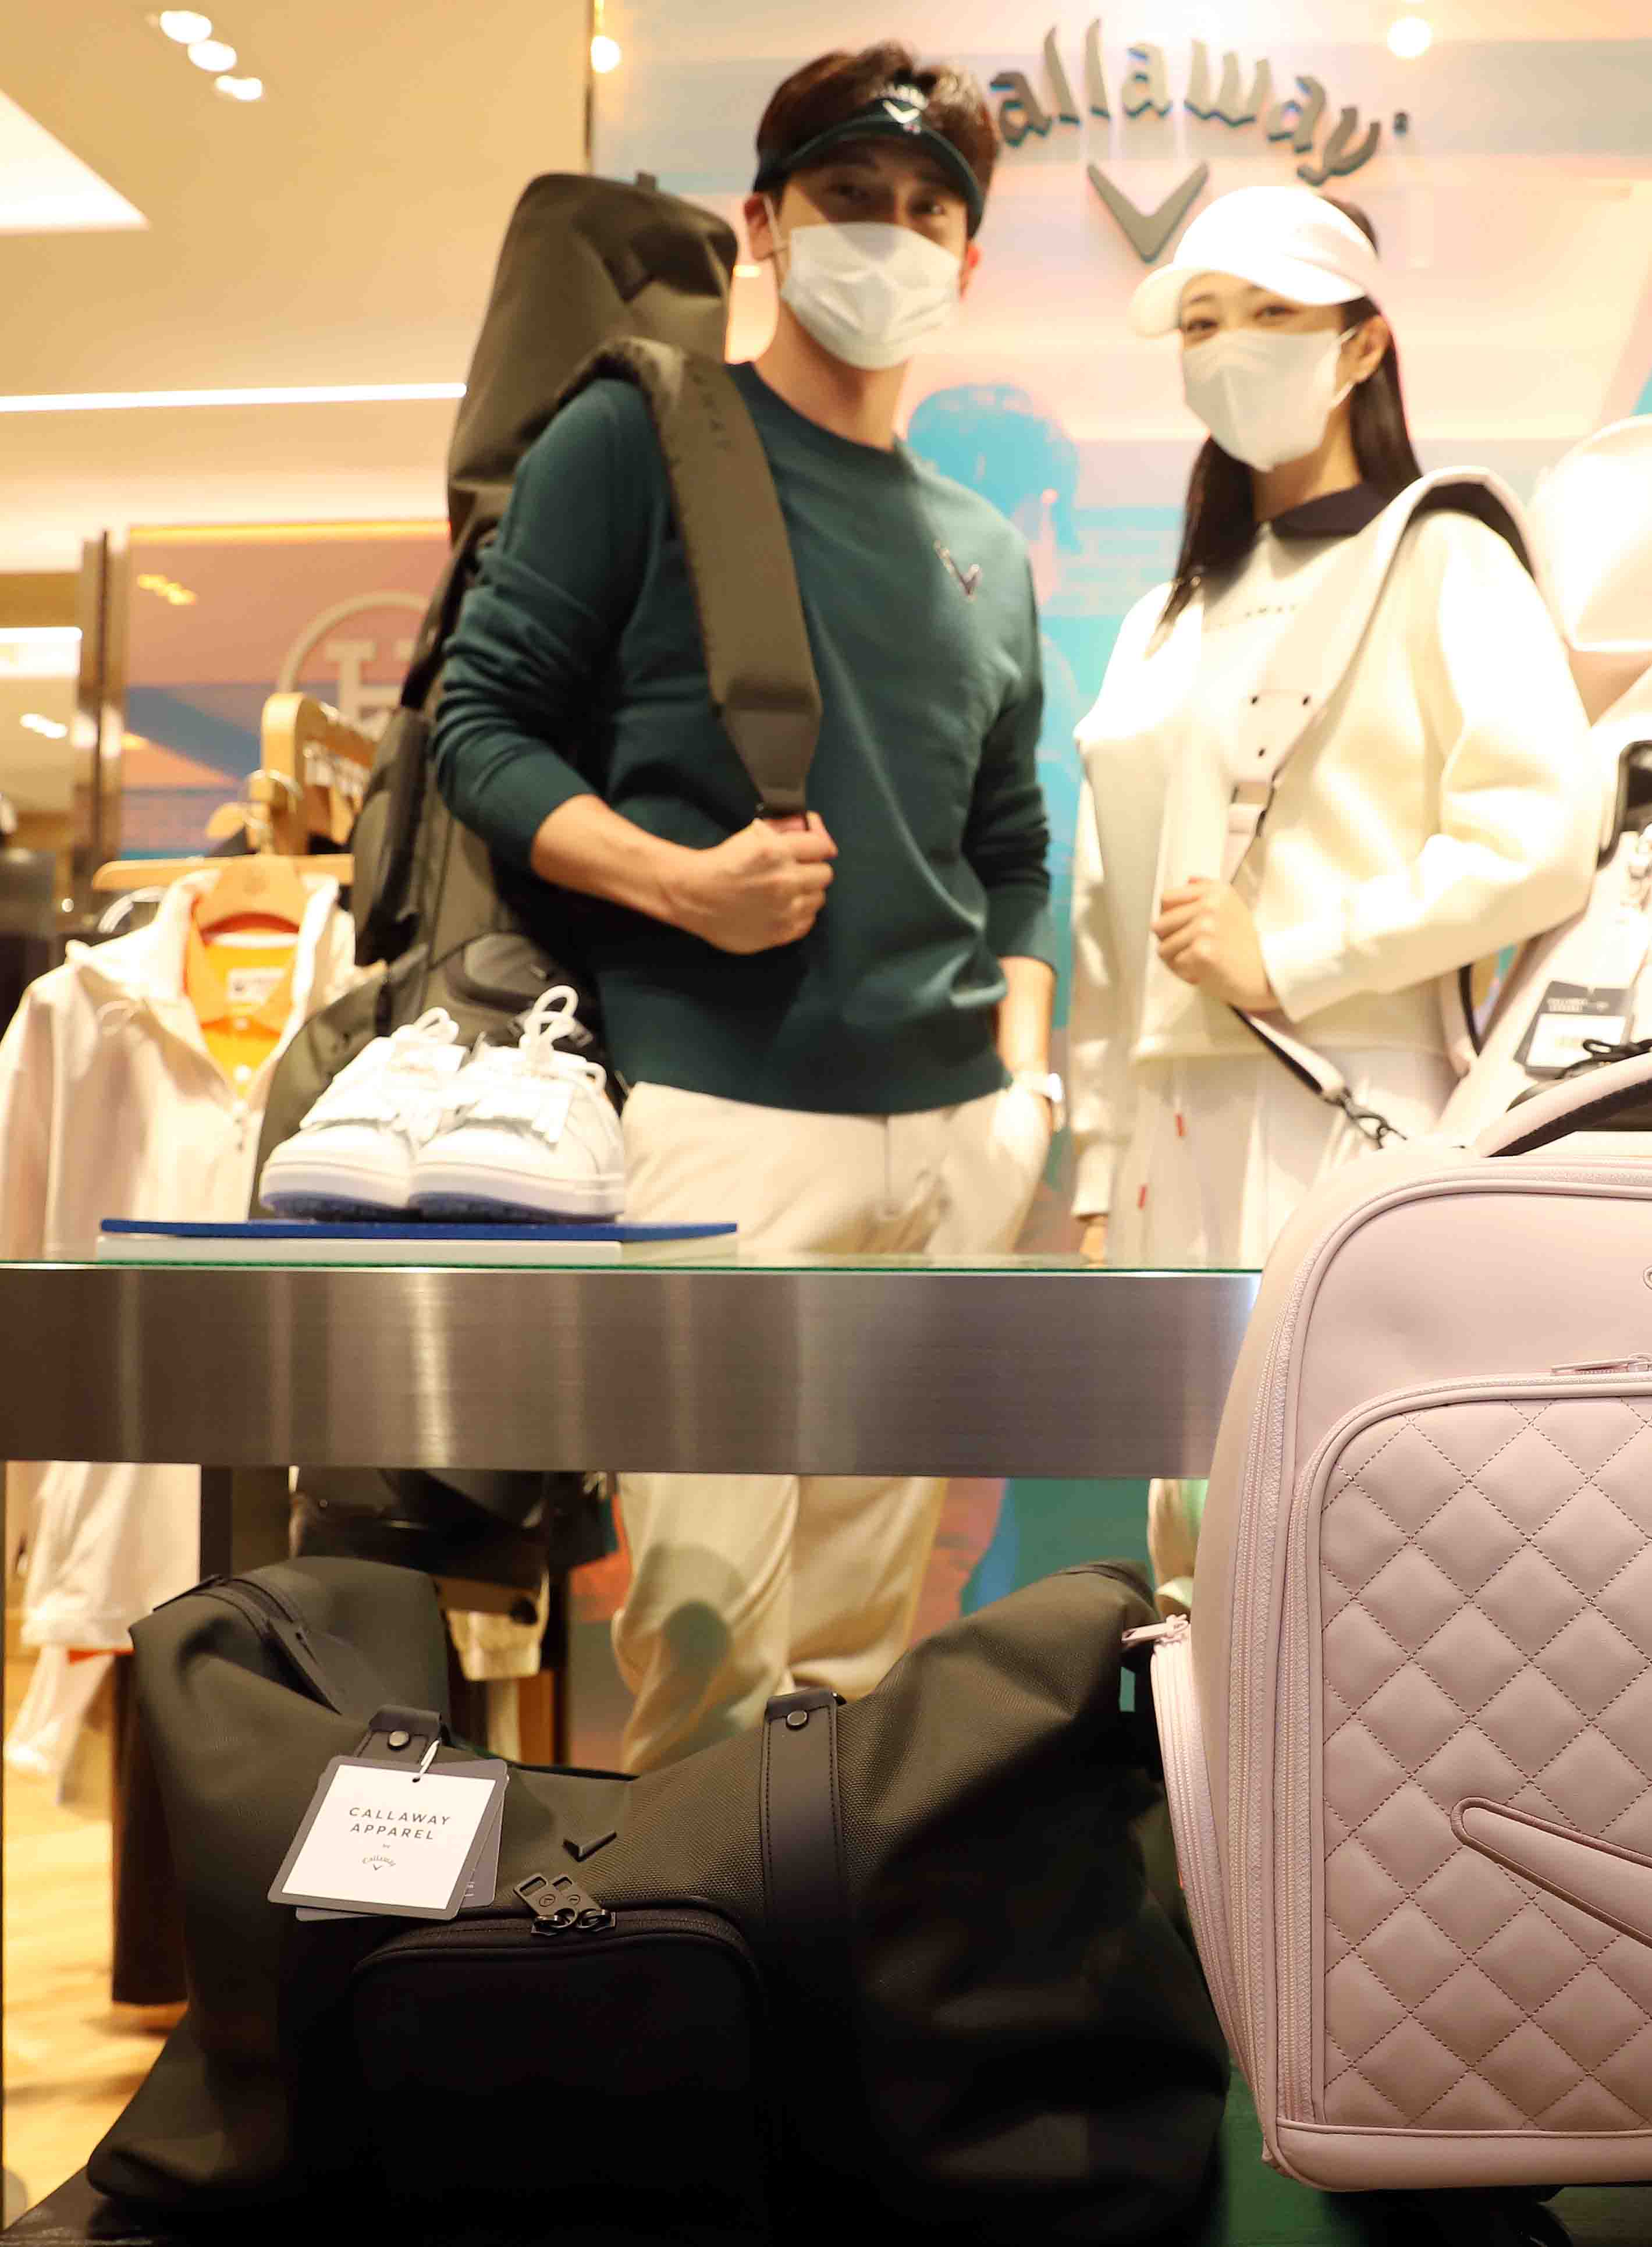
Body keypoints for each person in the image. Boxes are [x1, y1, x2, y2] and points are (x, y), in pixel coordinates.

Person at [432, 44, 1058, 1768]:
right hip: (720, 1117)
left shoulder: (980, 547)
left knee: (855, 1654)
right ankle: (689, 1937)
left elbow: (1011, 843)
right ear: (765, 224)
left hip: (948, 1139)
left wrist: (1021, 1080)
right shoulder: (645, 438)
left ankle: (806, 1928)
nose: (889, 235)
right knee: (705, 1632)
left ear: (968, 260)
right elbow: (481, 725)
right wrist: (678, 882)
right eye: (849, 197)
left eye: (927, 211)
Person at [1068, 186, 1599, 1605]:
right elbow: (1107, 905)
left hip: (1349, 1094)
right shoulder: (1166, 612)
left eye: (1269, 313)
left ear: (1361, 346)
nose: (1228, 346)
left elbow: (1543, 833)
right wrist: (1095, 1157)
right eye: (1200, 321)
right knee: (1190, 1544)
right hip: (1167, 1123)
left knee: (1349, 1529)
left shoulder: (1441, 556)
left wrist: (1294, 954)